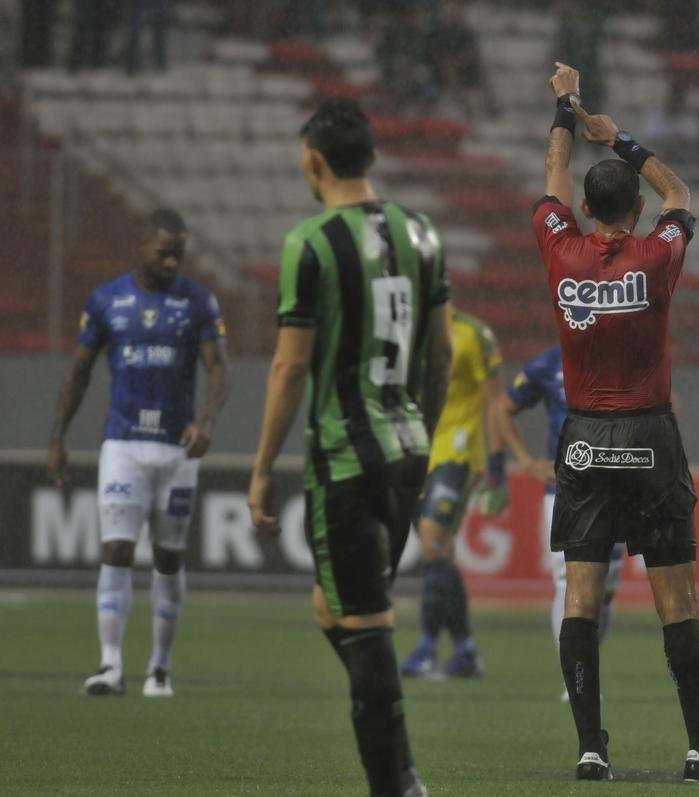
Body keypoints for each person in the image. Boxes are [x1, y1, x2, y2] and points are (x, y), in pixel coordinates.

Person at [533, 62, 699, 784]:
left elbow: (554, 166)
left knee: (581, 597)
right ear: (631, 210)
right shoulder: (658, 256)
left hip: (588, 437)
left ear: (588, 212)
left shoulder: (560, 251)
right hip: (651, 437)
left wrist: (566, 104)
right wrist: (617, 135)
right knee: (677, 601)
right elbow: (679, 193)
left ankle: (591, 746)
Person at [247, 97, 452, 797]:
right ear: (373, 156)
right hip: (408, 450)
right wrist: (422, 429)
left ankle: (395, 783)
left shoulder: (310, 242)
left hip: (344, 460)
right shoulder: (421, 231)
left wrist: (261, 468)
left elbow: (289, 367)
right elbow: (443, 351)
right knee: (334, 608)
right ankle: (402, 771)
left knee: (365, 627)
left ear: (312, 160)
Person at [47, 208, 230, 698]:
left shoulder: (198, 303)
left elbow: (219, 372)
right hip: (123, 444)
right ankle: (110, 665)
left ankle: (160, 669)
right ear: (143, 246)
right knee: (117, 551)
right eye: (164, 252)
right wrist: (58, 439)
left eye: (180, 255)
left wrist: (206, 420)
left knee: (168, 559)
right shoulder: (107, 301)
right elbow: (79, 371)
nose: (173, 263)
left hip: (177, 450)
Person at [491, 346, 625, 699]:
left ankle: (586, 662)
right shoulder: (547, 365)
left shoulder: (625, 358)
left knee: (605, 592)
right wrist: (525, 460)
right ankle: (575, 675)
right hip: (563, 488)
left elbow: (667, 404)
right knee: (567, 579)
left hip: (616, 487)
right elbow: (503, 408)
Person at [399, 304, 509, 679]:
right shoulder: (406, 330)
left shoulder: (473, 333)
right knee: (440, 553)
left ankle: (427, 648)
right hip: (418, 453)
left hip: (460, 453)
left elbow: (495, 401)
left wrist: (497, 466)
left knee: (431, 540)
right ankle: (465, 651)